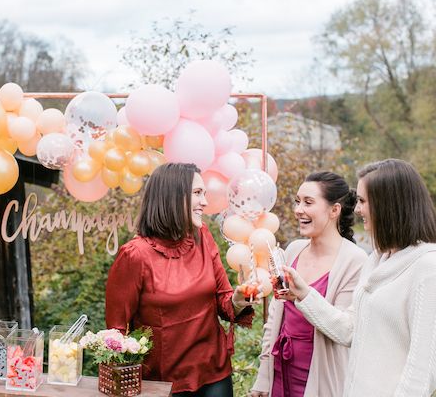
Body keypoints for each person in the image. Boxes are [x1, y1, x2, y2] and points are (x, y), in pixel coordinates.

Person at [283, 159, 436, 396]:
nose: (356, 209)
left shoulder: (427, 268)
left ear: (389, 205)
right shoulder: (377, 259)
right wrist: (304, 294)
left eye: (363, 201)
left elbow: (422, 370)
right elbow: (349, 330)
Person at [105, 162, 258, 396]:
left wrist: (239, 299)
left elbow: (224, 301)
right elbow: (116, 332)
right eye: (197, 193)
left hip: (214, 373)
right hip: (163, 383)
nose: (205, 202)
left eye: (204, 193)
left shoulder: (203, 236)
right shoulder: (135, 255)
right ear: (172, 197)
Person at [248, 172, 368, 397]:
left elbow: (345, 330)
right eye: (297, 201)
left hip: (320, 380)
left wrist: (305, 295)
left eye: (308, 202)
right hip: (280, 374)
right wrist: (264, 377)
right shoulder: (294, 250)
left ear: (334, 210)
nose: (298, 209)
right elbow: (274, 320)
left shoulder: (355, 261)